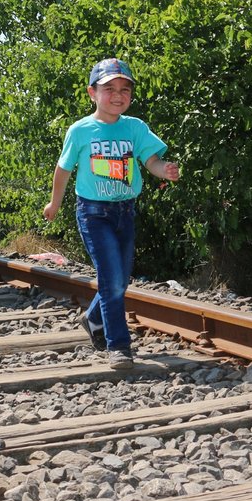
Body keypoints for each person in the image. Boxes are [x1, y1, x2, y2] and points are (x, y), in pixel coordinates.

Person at [42, 57, 181, 370]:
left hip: (125, 212)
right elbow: (63, 170)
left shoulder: (135, 128)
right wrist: (54, 204)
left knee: (119, 281)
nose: (118, 95)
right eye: (109, 89)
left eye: (124, 89)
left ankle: (92, 318)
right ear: (93, 93)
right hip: (93, 214)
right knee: (112, 281)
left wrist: (164, 171)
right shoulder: (81, 130)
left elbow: (150, 161)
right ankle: (118, 346)